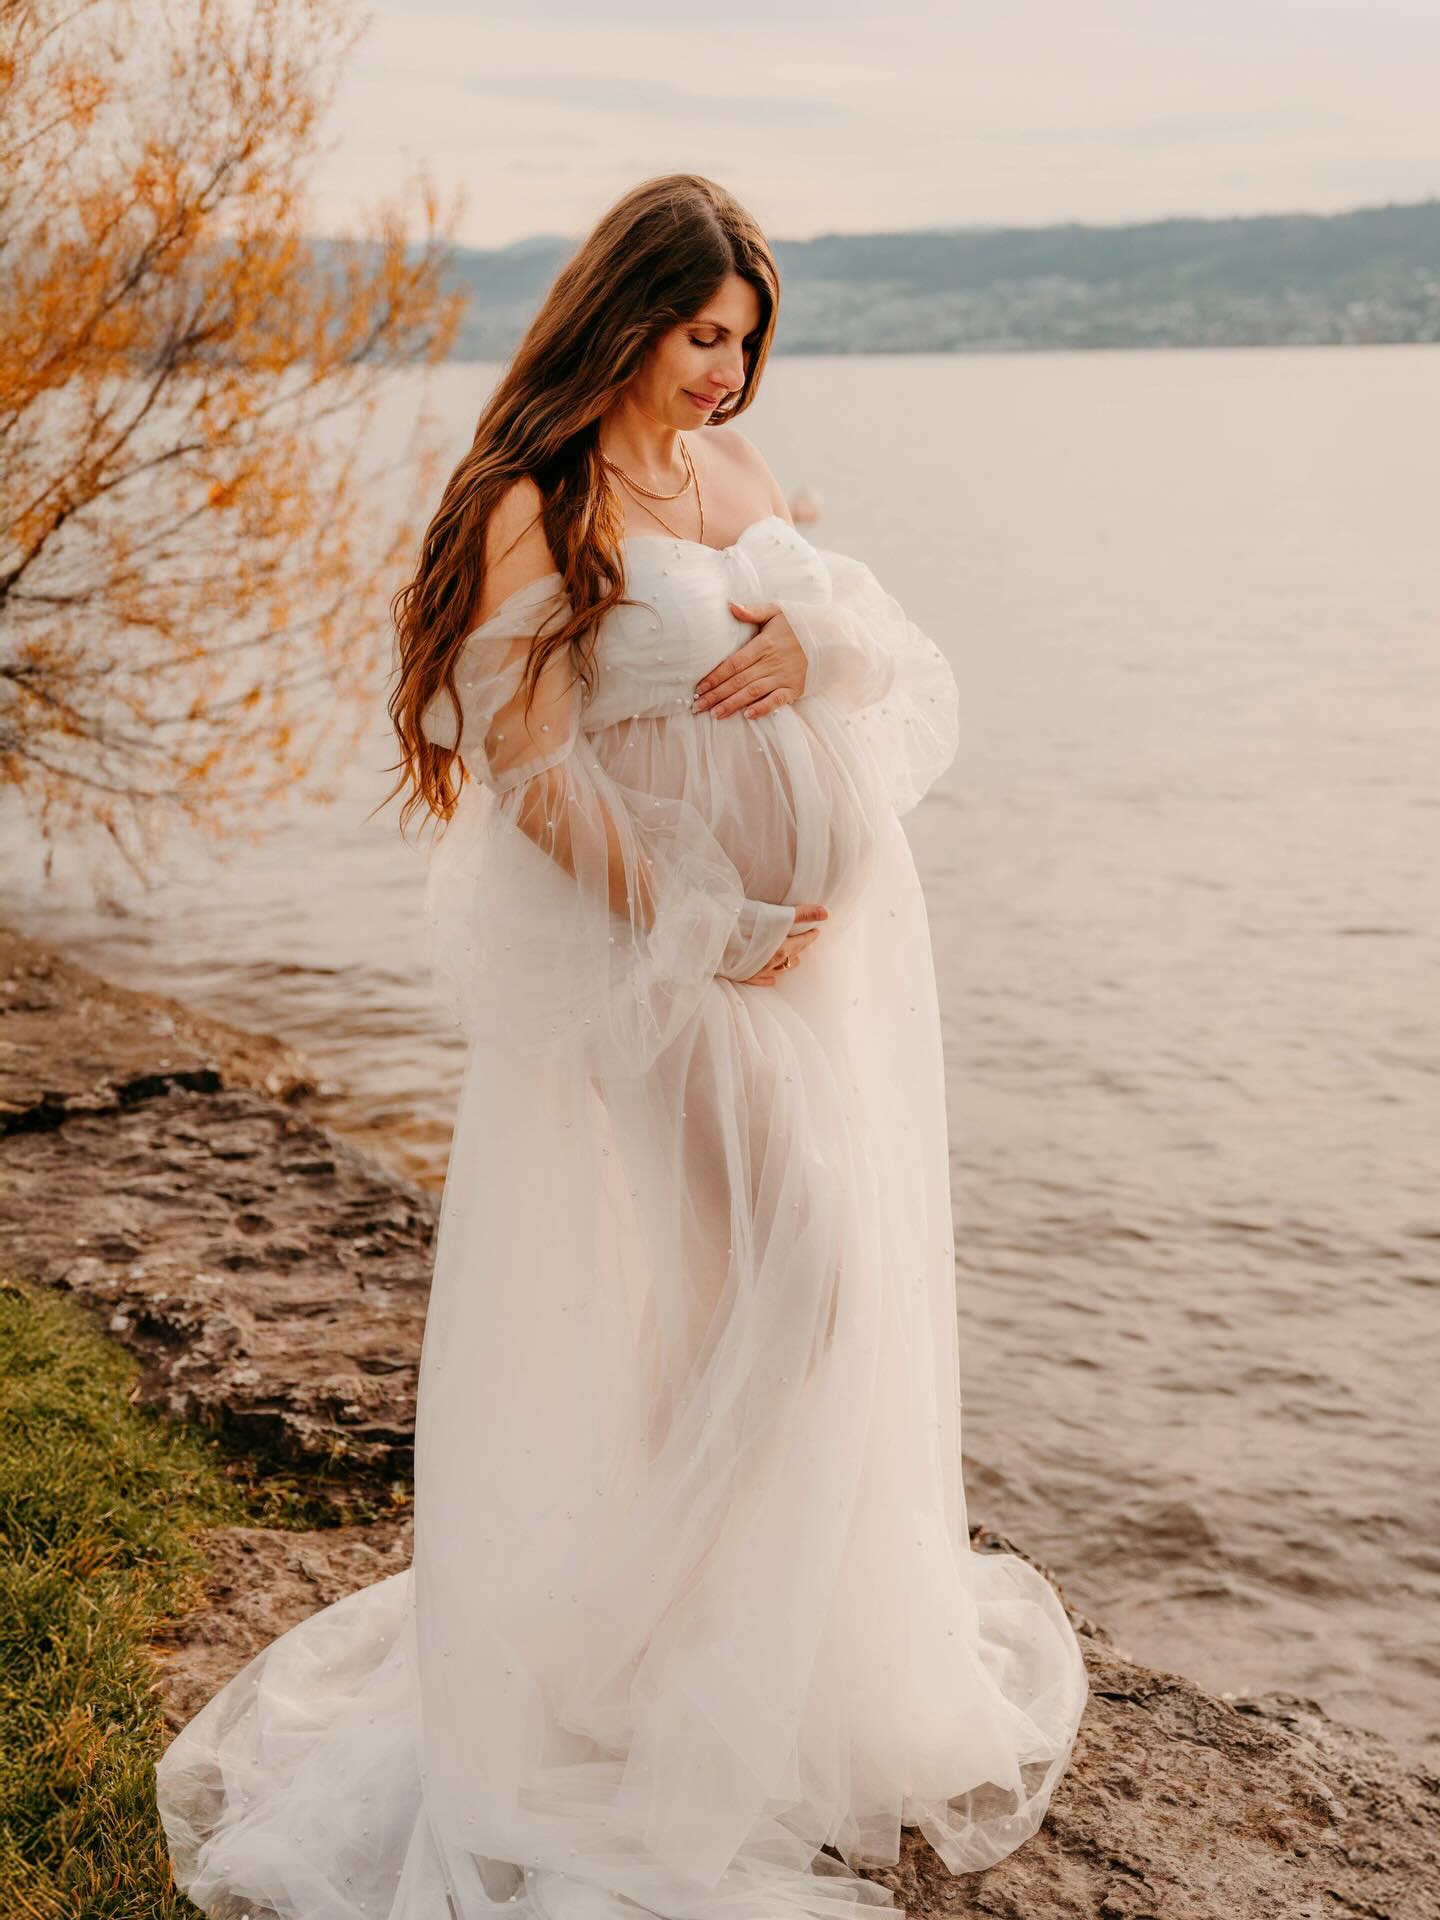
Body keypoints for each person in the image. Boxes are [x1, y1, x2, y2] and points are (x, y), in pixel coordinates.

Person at [155, 171, 1087, 1920]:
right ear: (626, 315)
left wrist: (818, 641)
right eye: (701, 334)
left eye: (746, 340)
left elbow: (880, 657)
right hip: (649, 965)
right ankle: (631, 1643)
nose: (725, 371)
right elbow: (528, 767)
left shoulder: (736, 473)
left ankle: (721, 1646)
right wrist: (695, 923)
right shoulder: (538, 497)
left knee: (738, 1294)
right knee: (804, 1277)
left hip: (800, 967)